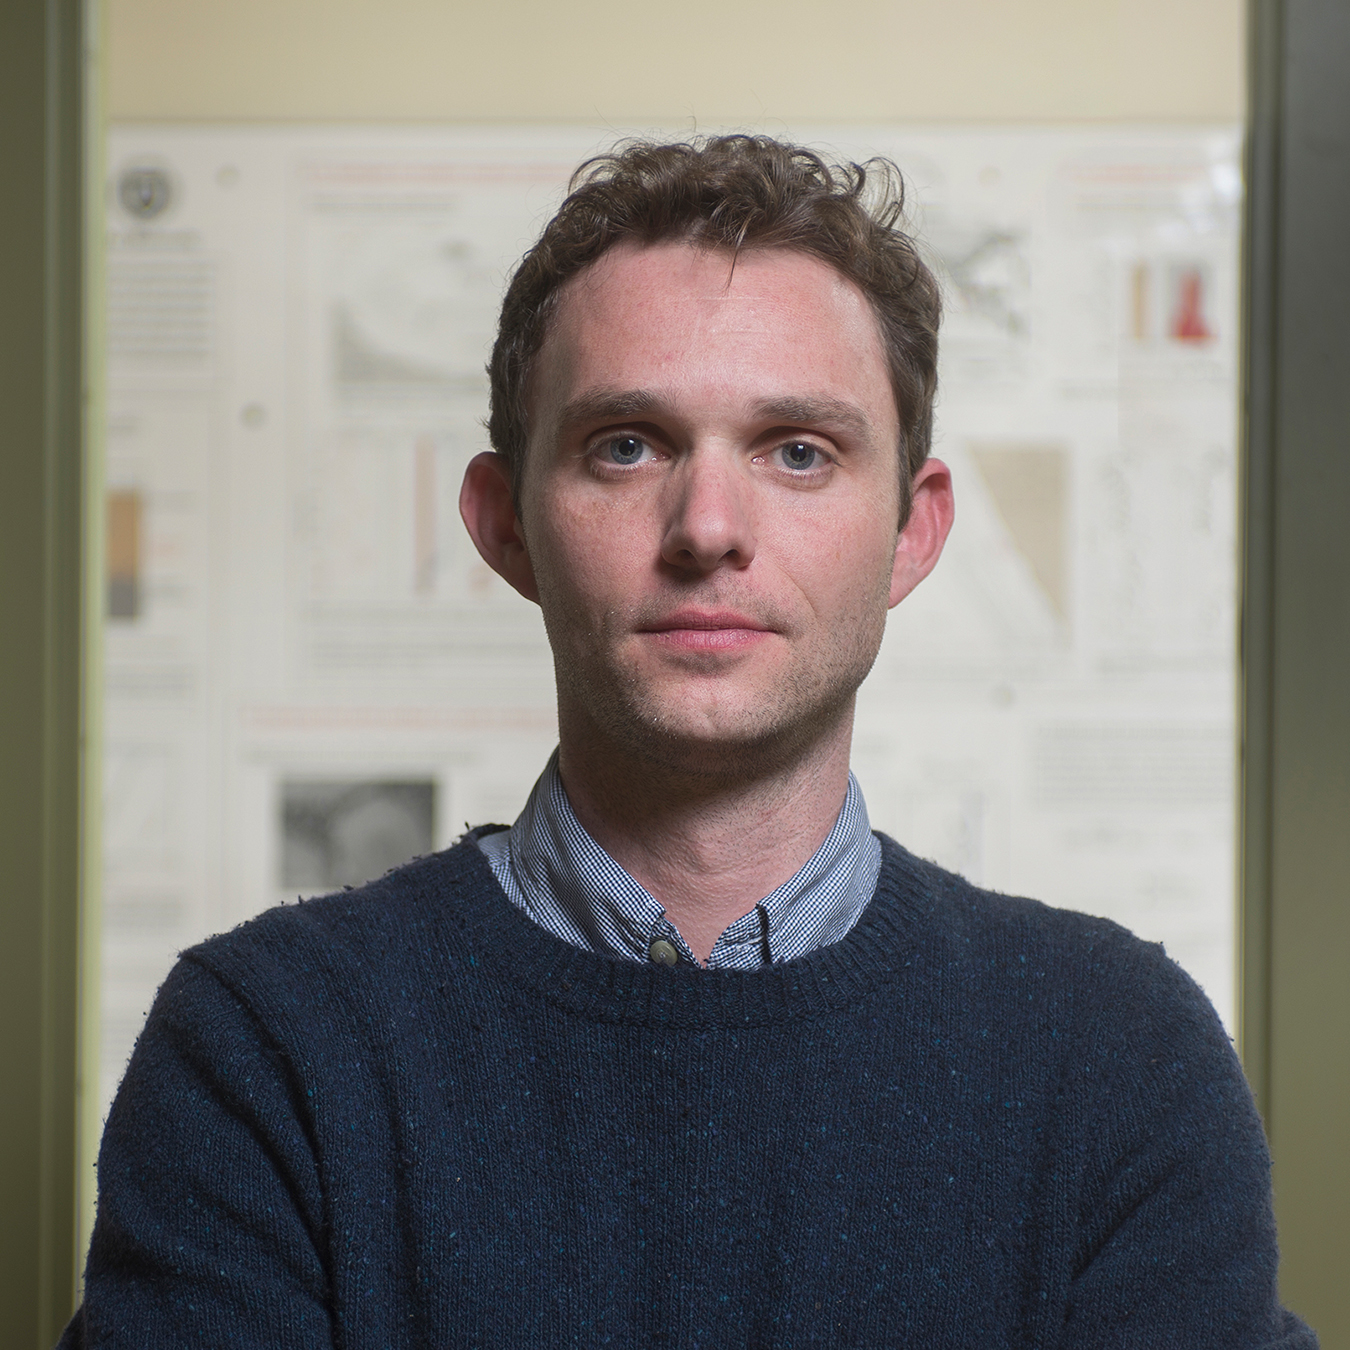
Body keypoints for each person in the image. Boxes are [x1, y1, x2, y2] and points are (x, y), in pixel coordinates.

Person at [61, 136, 1316, 1348]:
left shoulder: (1118, 1057)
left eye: (799, 452)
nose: (709, 527)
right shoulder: (270, 1048)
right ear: (505, 525)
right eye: (627, 445)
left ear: (913, 534)